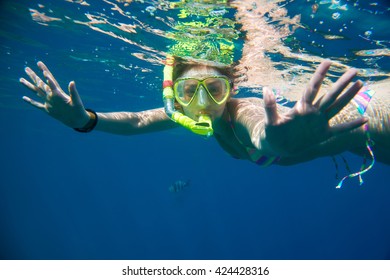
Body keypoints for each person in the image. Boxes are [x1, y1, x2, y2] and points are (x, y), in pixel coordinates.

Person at [20, 57, 390, 171]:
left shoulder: (241, 110)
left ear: (230, 90)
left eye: (214, 89)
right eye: (189, 91)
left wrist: (276, 138)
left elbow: (260, 129)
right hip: (372, 147)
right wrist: (85, 121)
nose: (203, 101)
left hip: (377, 111)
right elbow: (138, 120)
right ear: (176, 95)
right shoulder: (196, 117)